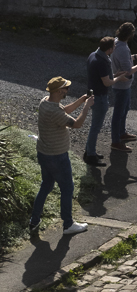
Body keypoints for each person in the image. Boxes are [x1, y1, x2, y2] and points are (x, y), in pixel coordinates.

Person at [29, 76, 93, 235]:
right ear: (58, 91)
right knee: (67, 188)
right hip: (57, 156)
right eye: (66, 88)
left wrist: (80, 101)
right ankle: (68, 224)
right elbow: (77, 124)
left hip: (44, 153)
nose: (68, 90)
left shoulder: (45, 102)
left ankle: (34, 220)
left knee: (46, 185)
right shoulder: (54, 111)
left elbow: (63, 111)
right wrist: (86, 108)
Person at [84, 35, 126, 165]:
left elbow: (102, 76)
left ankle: (89, 151)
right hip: (99, 97)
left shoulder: (93, 55)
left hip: (93, 94)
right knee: (95, 128)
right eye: (114, 46)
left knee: (94, 126)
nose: (114, 48)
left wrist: (115, 75)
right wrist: (119, 78)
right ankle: (90, 155)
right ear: (109, 49)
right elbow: (107, 82)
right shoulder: (102, 62)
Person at [110, 23, 137, 154]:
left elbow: (125, 59)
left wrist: (135, 56)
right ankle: (116, 141)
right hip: (121, 86)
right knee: (118, 113)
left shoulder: (118, 43)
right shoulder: (122, 48)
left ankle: (121, 133)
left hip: (124, 85)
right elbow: (128, 71)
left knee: (125, 109)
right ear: (130, 35)